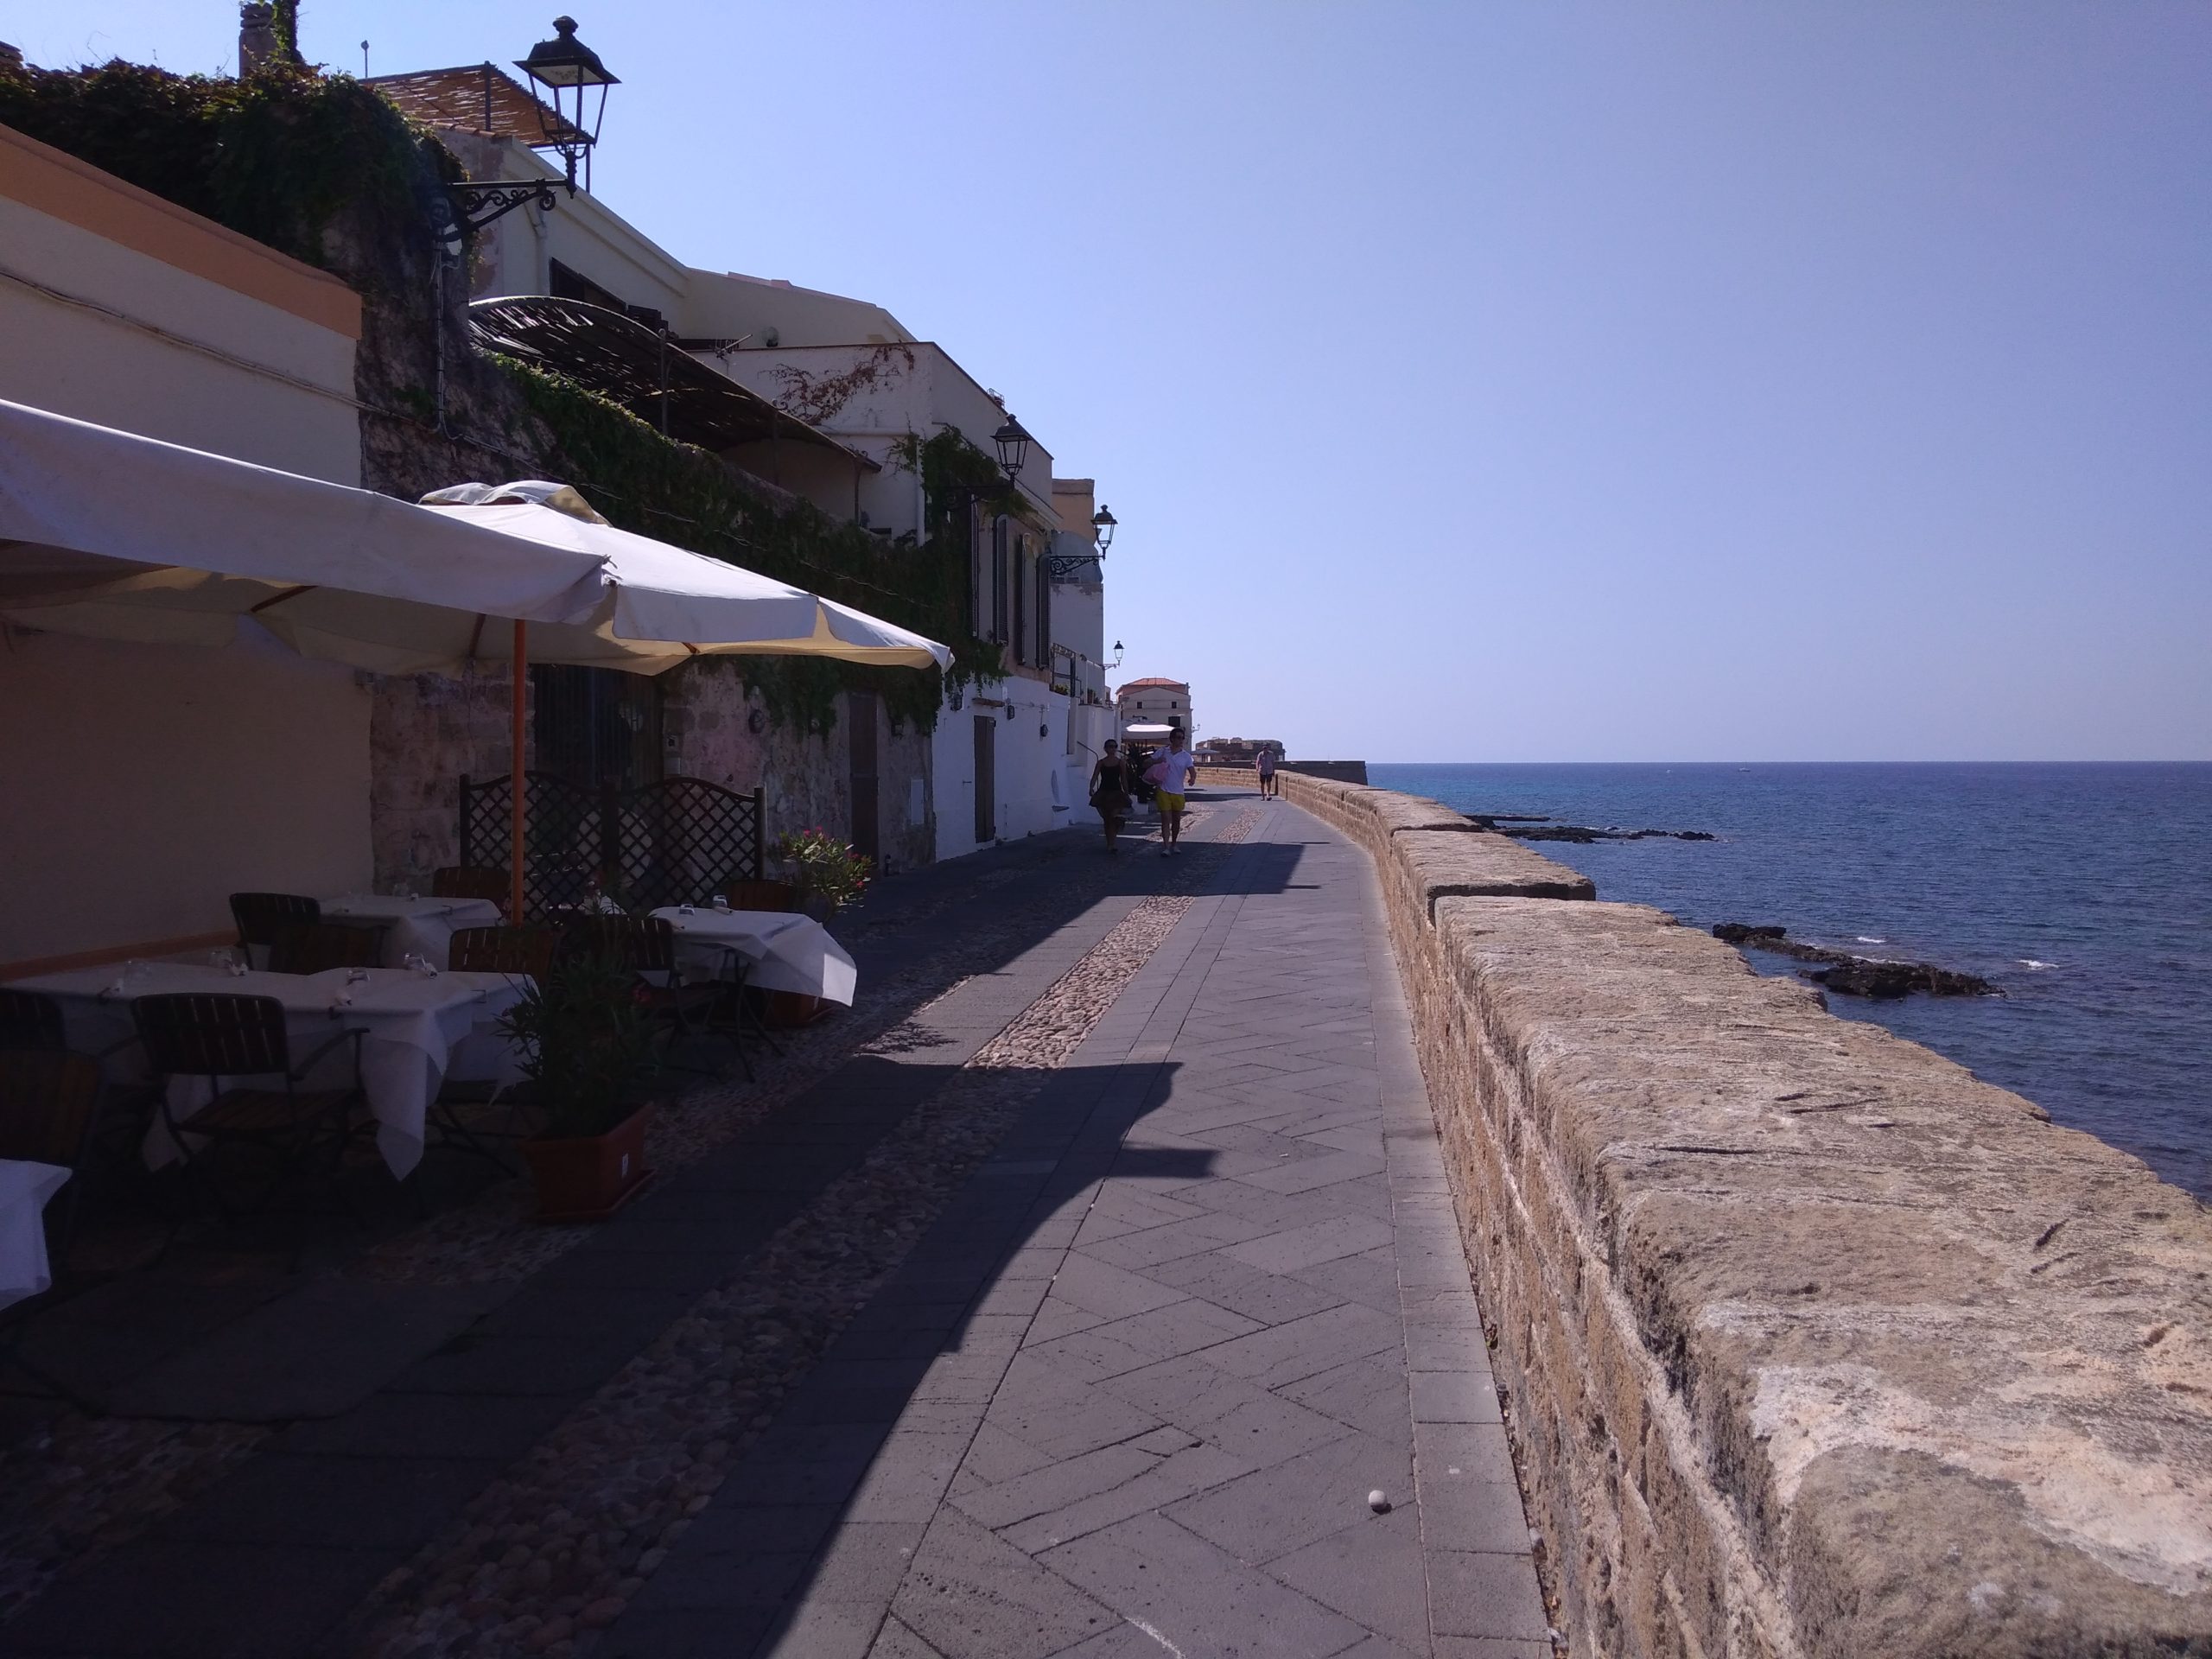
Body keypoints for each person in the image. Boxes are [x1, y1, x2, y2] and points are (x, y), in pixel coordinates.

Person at [1153, 727, 1198, 855]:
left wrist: (1192, 779)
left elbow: (1192, 770)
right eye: (1178, 737)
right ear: (1172, 739)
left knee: (1176, 820)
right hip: (1163, 789)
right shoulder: (1163, 752)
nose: (1181, 740)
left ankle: (1174, 843)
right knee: (1165, 818)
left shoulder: (1186, 756)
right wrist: (1158, 761)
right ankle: (1166, 846)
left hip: (1178, 791)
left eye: (1182, 738)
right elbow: (1148, 762)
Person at [1089, 739, 1133, 854]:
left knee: (1113, 818)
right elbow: (1095, 775)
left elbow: (1123, 778)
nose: (1112, 749)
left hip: (1116, 793)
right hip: (1103, 793)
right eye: (1110, 746)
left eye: (1114, 746)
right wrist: (1091, 787)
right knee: (1107, 819)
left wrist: (1126, 792)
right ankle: (1109, 843)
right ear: (1105, 748)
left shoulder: (1120, 763)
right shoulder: (1101, 763)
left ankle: (1112, 843)